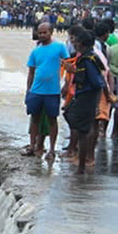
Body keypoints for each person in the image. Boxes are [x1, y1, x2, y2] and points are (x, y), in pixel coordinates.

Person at [24, 21, 69, 160]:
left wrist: (67, 84)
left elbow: (69, 65)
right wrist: (28, 90)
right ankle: (33, 146)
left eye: (45, 32)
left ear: (51, 32)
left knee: (52, 120)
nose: (42, 35)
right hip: (36, 91)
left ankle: (51, 149)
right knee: (34, 119)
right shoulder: (35, 51)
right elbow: (31, 72)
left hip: (53, 91)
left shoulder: (60, 47)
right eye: (40, 32)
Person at [63, 27, 105, 174]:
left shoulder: (87, 60)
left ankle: (81, 165)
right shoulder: (87, 57)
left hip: (87, 97)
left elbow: (95, 81)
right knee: (69, 115)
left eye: (75, 41)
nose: (73, 43)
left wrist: (75, 71)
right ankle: (81, 161)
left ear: (80, 44)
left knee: (83, 131)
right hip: (84, 96)